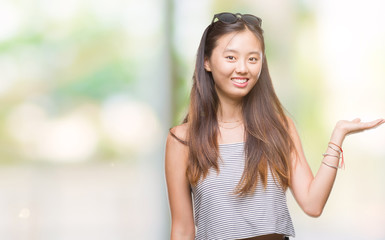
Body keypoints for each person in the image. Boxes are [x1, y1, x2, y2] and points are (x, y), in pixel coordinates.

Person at [164, 12, 384, 240]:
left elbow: (313, 204)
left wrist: (337, 136)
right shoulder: (182, 140)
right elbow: (182, 230)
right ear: (207, 62)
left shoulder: (278, 127)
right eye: (231, 57)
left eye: (253, 58)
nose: (243, 68)